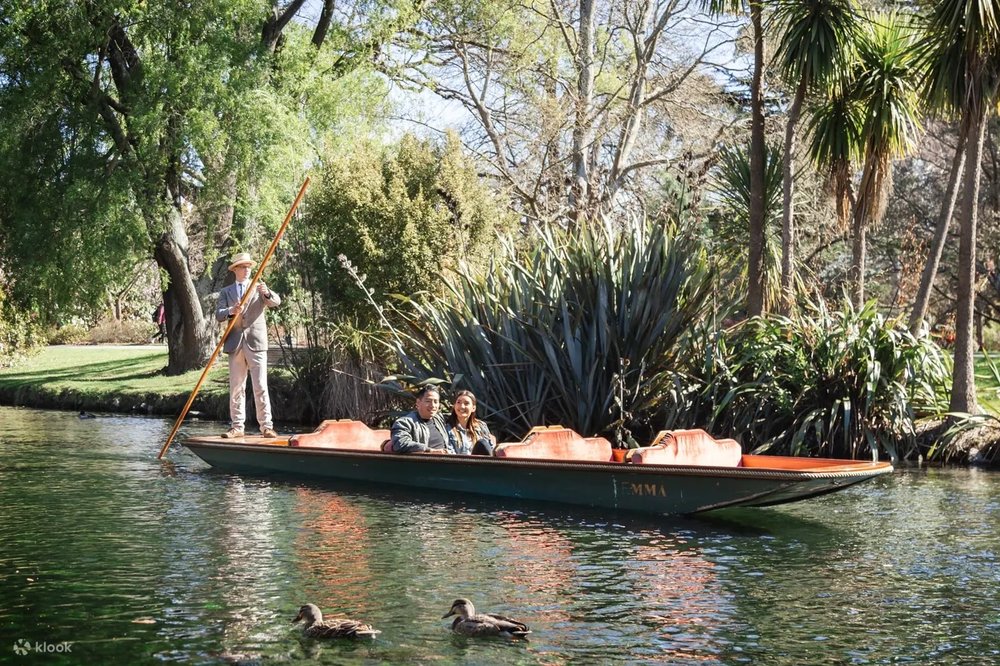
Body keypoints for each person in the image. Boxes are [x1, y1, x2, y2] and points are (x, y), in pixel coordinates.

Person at [215, 252, 281, 439]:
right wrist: (231, 310)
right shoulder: (226, 292)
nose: (246, 270)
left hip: (256, 342)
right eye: (242, 267)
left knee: (260, 385)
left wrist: (266, 293)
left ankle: (266, 426)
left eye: (248, 267)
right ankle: (237, 426)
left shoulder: (258, 287)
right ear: (235, 269)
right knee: (237, 386)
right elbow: (219, 315)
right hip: (235, 343)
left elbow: (276, 302)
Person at [390, 384, 450, 453]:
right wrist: (429, 451)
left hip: (445, 461)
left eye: (436, 402)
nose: (433, 405)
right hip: (422, 462)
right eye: (428, 401)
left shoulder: (439, 419)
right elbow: (400, 443)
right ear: (418, 402)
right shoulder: (404, 423)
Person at [445, 390, 495, 455]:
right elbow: (449, 452)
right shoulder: (448, 428)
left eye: (466, 403)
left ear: (473, 408)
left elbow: (490, 449)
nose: (462, 406)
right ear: (454, 406)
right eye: (458, 402)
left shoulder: (481, 426)